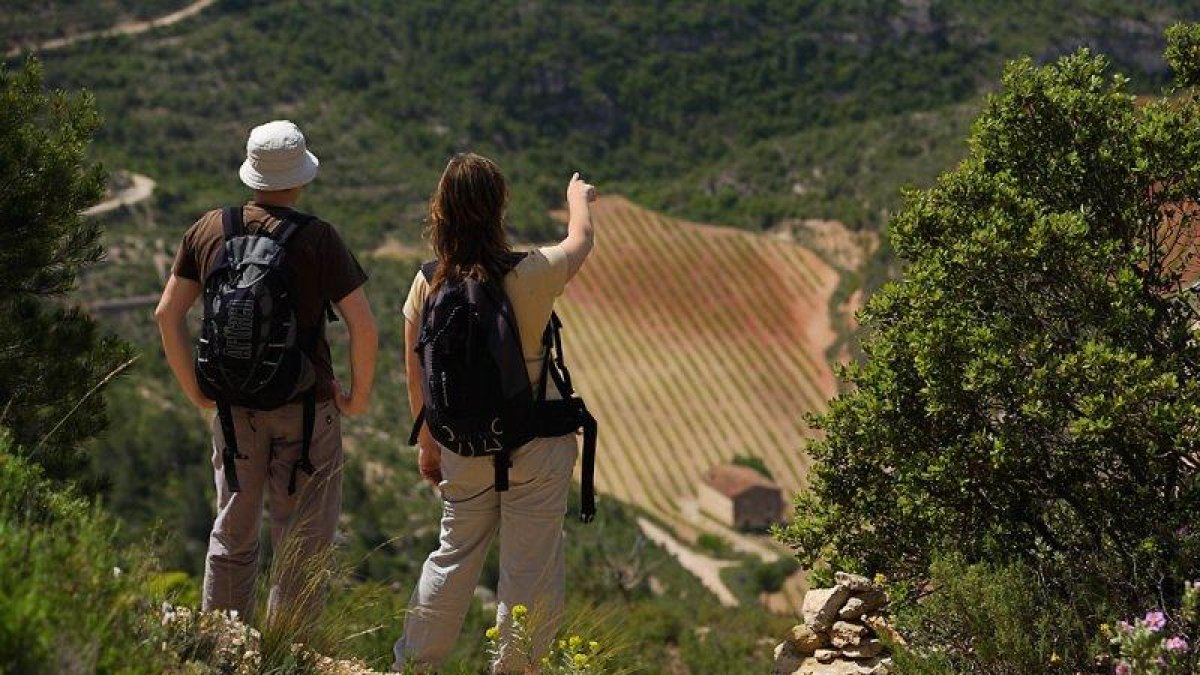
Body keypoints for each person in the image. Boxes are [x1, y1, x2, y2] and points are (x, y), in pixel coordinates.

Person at [154, 119, 378, 623]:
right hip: (306, 412)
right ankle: (287, 649)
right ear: (300, 178)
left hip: (235, 411)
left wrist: (197, 392)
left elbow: (167, 315)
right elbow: (363, 327)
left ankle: (222, 640)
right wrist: (355, 398)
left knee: (232, 530)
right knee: (301, 542)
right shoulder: (319, 238)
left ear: (251, 173)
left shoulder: (209, 229)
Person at [393, 153, 596, 672]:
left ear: (440, 211)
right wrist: (577, 199)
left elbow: (417, 374)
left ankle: (413, 665)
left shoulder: (427, 283)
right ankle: (516, 667)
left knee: (452, 557)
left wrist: (429, 445)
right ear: (500, 207)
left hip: (463, 447)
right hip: (536, 443)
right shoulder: (531, 272)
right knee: (529, 571)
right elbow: (581, 240)